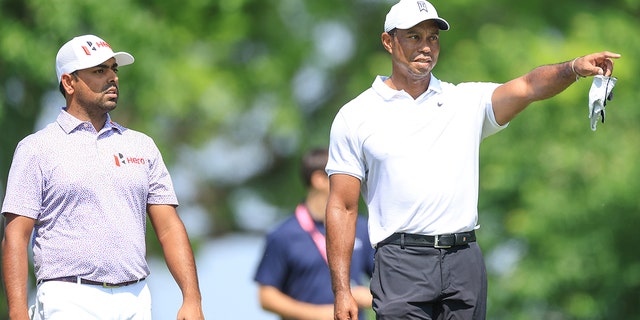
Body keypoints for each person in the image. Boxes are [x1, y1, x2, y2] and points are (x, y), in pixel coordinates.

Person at [324, 1, 621, 319]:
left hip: (463, 260)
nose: (426, 46)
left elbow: (528, 86)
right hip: (400, 261)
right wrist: (342, 291)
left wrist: (573, 67)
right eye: (414, 36)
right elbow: (342, 206)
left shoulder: (464, 100)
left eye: (432, 38)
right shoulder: (355, 116)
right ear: (388, 41)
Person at [1, 34, 204, 320]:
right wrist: (18, 312)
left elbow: (169, 227)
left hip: (135, 298)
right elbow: (16, 235)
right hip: (69, 297)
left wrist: (192, 299)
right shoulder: (36, 148)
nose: (112, 78)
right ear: (69, 82)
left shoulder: (141, 146)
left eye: (114, 69)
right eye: (99, 71)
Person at [254, 148, 374, 320]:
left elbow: (384, 280)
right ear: (319, 180)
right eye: (341, 173)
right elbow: (266, 296)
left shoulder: (360, 227)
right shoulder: (283, 235)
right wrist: (318, 315)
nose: (354, 179)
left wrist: (370, 296)